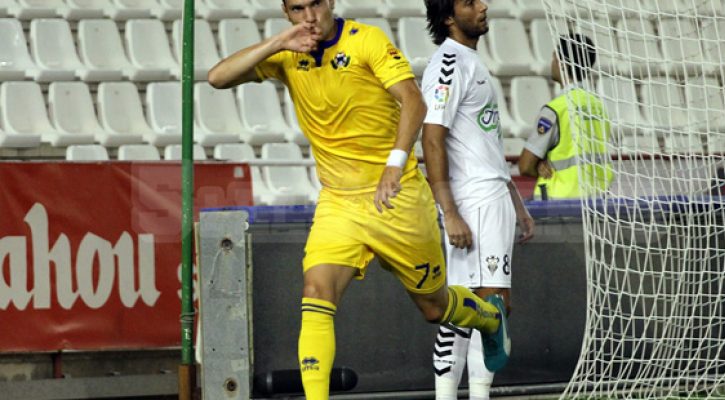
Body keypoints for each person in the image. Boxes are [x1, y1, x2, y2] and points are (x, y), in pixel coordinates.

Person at [207, 1, 510, 399]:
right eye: (297, 9)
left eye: (315, 4)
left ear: (329, 2)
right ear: (287, 13)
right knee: (316, 292)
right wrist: (280, 41)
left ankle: (487, 318)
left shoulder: (367, 41)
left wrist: (394, 163)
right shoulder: (286, 54)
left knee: (434, 307)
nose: (309, 16)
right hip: (339, 202)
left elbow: (414, 102)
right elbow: (216, 78)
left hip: (396, 197)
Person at [421, 1, 536, 399]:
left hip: (492, 197)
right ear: (449, 17)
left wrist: (514, 201)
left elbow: (482, 142)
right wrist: (449, 212)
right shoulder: (448, 64)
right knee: (482, 308)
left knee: (489, 309)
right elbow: (431, 137)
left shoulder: (471, 61)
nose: (484, 5)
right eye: (470, 1)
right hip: (472, 201)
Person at [518, 33, 614, 199]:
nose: (552, 63)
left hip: (559, 203)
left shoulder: (555, 109)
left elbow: (525, 166)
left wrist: (540, 165)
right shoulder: (599, 106)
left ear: (562, 64)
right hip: (597, 200)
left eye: (554, 57)